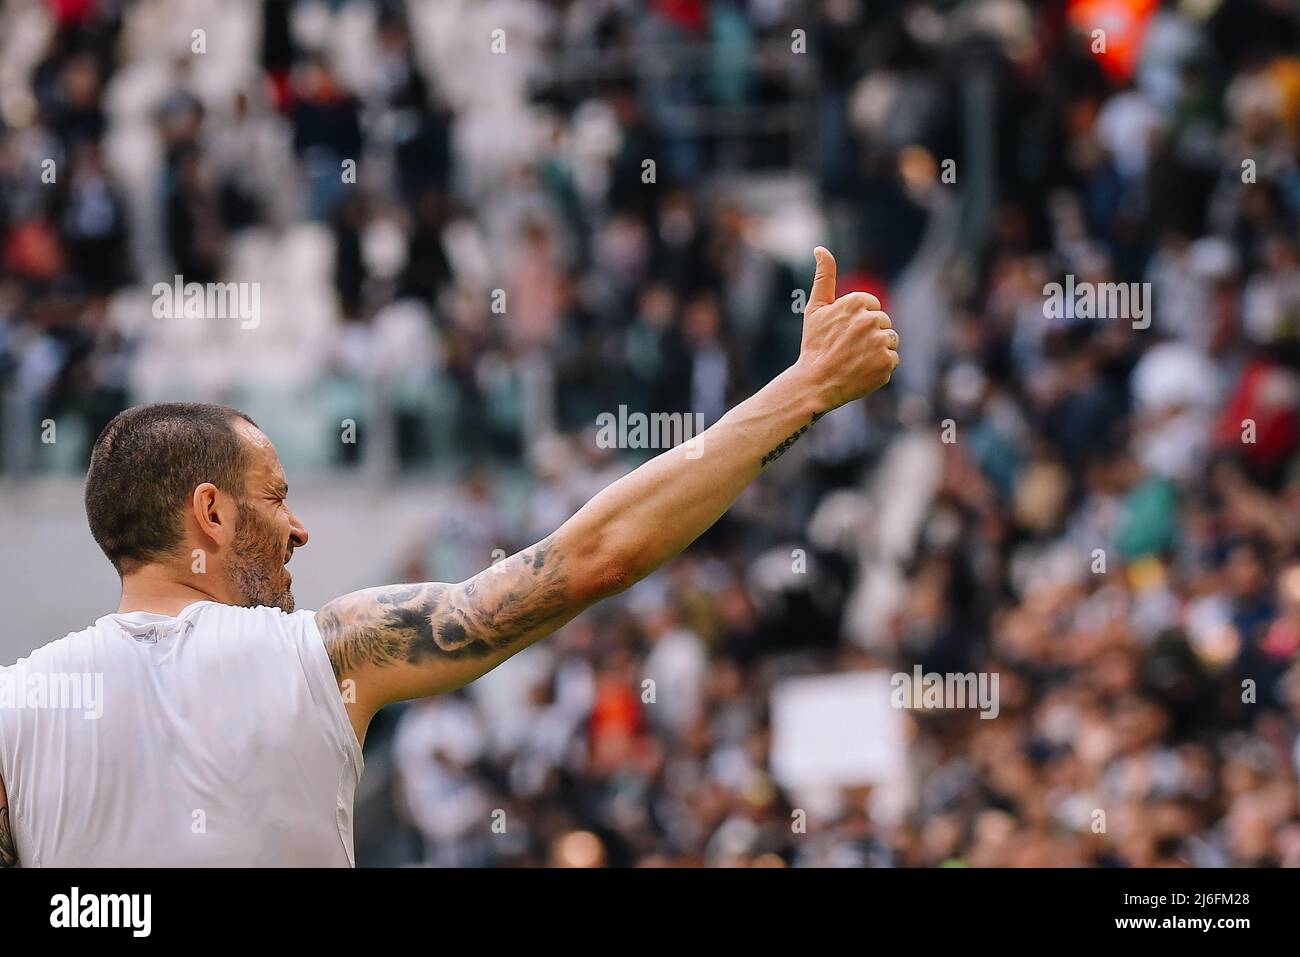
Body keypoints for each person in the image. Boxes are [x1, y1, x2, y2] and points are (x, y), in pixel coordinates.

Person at [0, 248, 898, 867]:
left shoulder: (13, 714)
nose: (299, 528)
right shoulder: (328, 654)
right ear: (212, 513)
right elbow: (596, 557)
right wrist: (804, 390)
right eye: (274, 497)